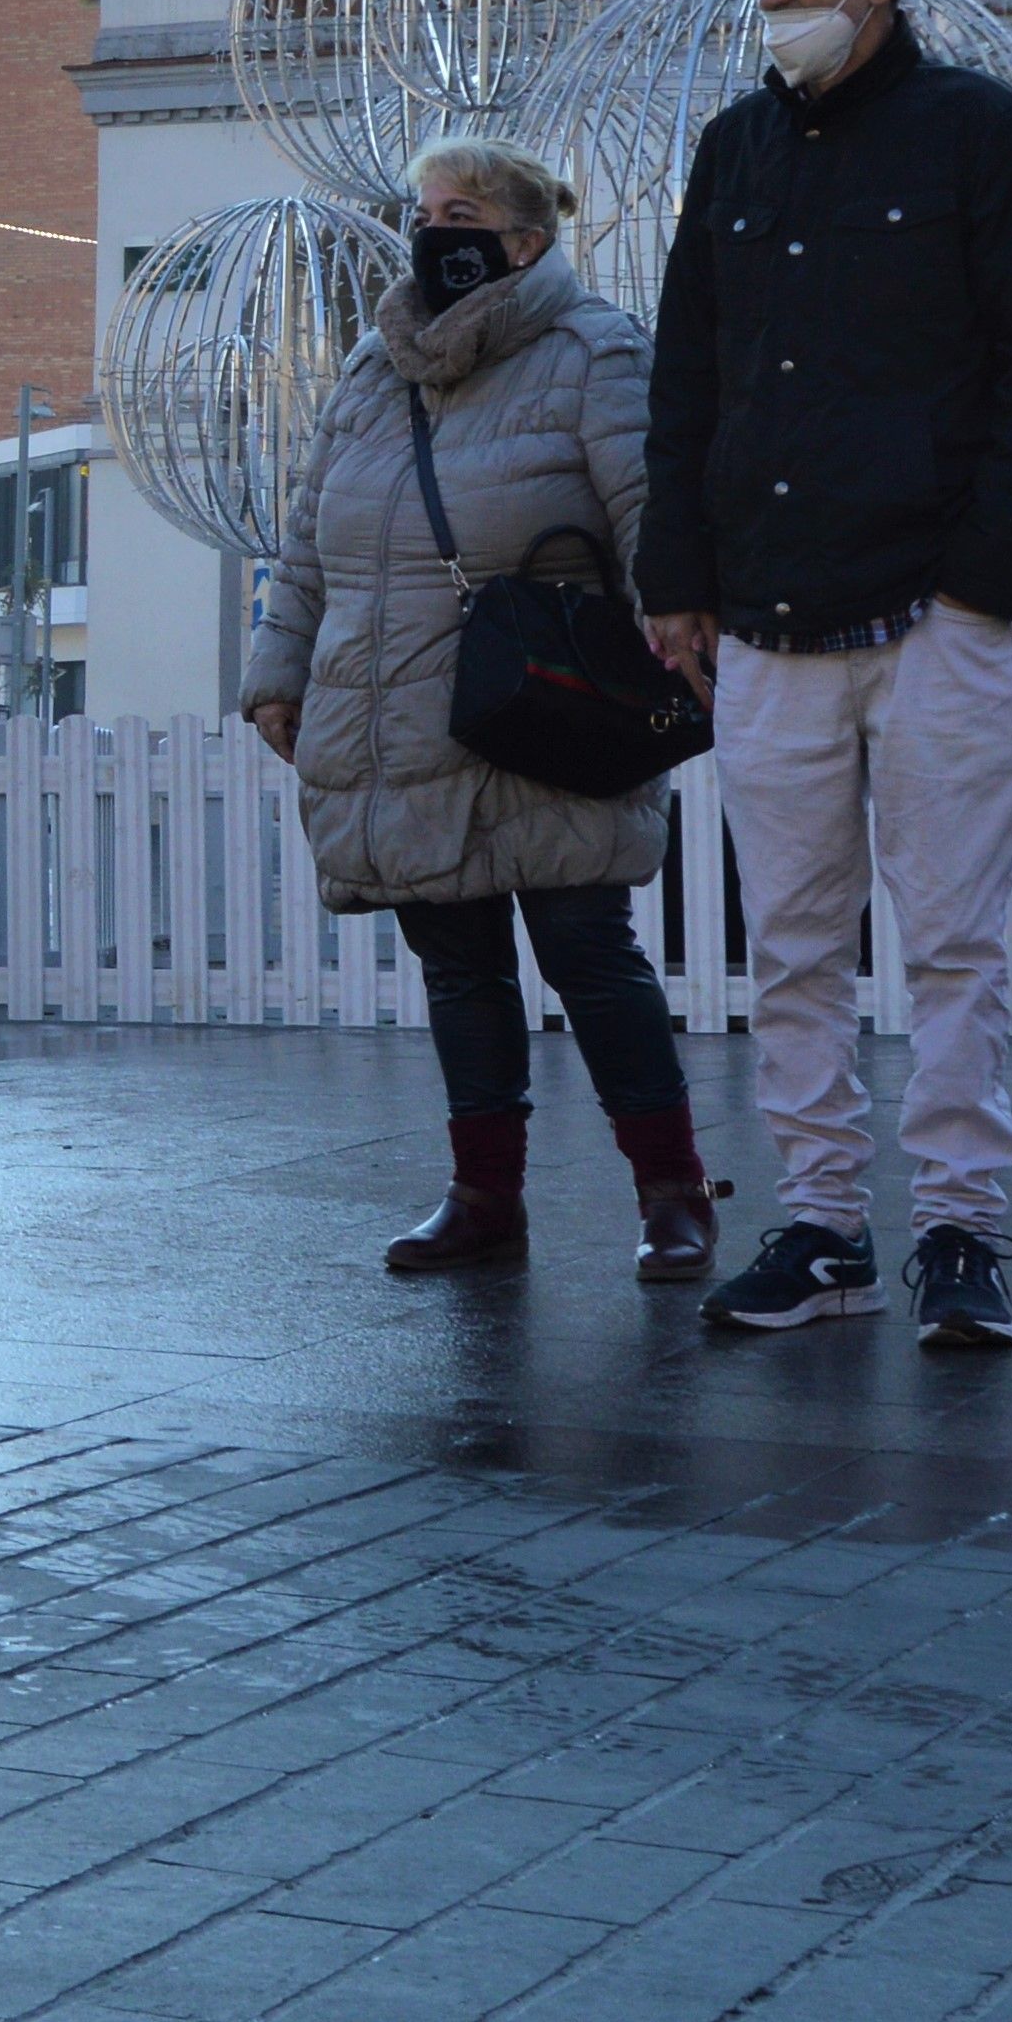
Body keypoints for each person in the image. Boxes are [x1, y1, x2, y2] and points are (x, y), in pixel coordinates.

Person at [638, 0, 1012, 1353]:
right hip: (765, 623)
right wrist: (676, 579)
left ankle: (960, 1233)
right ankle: (825, 1229)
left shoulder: (978, 133)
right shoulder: (735, 149)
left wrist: (984, 588)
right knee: (792, 947)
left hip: (934, 620)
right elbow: (686, 380)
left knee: (955, 945)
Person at [241, 143, 725, 1281]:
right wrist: (276, 671)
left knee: (586, 951)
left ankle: (672, 1190)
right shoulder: (373, 370)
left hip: (546, 703)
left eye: (459, 212)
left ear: (523, 237)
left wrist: (680, 625)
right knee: (456, 965)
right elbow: (305, 545)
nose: (430, 230)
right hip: (393, 710)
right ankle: (482, 1198)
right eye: (422, 212)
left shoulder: (592, 348)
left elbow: (653, 505)